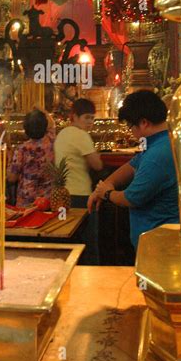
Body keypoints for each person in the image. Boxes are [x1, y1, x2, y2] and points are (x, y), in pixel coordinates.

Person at [88, 90, 179, 254]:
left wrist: (107, 193)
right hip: (156, 239)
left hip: (159, 244)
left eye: (131, 126)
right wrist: (107, 183)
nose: (131, 133)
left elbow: (132, 198)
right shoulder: (160, 142)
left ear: (144, 123)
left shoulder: (158, 155)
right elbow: (132, 165)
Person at [55, 98, 103, 264]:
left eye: (92, 118)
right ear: (74, 116)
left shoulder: (62, 133)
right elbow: (97, 165)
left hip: (62, 196)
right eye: (86, 118)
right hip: (81, 196)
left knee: (69, 243)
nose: (90, 122)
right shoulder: (81, 135)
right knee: (89, 245)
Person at [7, 108, 55, 208]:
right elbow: (52, 123)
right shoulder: (51, 141)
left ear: (25, 129)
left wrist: (9, 159)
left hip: (27, 202)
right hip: (48, 200)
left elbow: (11, 178)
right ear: (45, 126)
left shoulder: (22, 150)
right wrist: (41, 108)